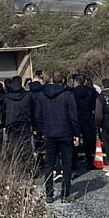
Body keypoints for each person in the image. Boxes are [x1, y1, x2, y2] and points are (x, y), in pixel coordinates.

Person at [36, 73, 80, 203]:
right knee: (66, 164)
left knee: (49, 164)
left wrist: (42, 130)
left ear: (51, 81)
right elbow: (73, 116)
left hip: (49, 134)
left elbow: (38, 116)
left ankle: (49, 194)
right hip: (65, 133)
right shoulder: (68, 95)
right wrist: (76, 134)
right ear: (64, 81)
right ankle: (65, 193)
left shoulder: (42, 95)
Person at [3, 77, 36, 171]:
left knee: (14, 147)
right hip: (24, 123)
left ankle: (16, 168)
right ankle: (29, 168)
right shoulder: (28, 95)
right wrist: (34, 125)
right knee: (26, 147)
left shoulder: (6, 96)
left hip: (11, 124)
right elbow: (32, 111)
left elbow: (3, 111)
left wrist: (5, 123)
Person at [71, 74, 99, 170]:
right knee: (89, 141)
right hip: (88, 117)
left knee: (74, 140)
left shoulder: (72, 92)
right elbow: (96, 103)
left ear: (75, 82)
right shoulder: (92, 91)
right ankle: (90, 161)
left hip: (76, 118)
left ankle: (73, 162)